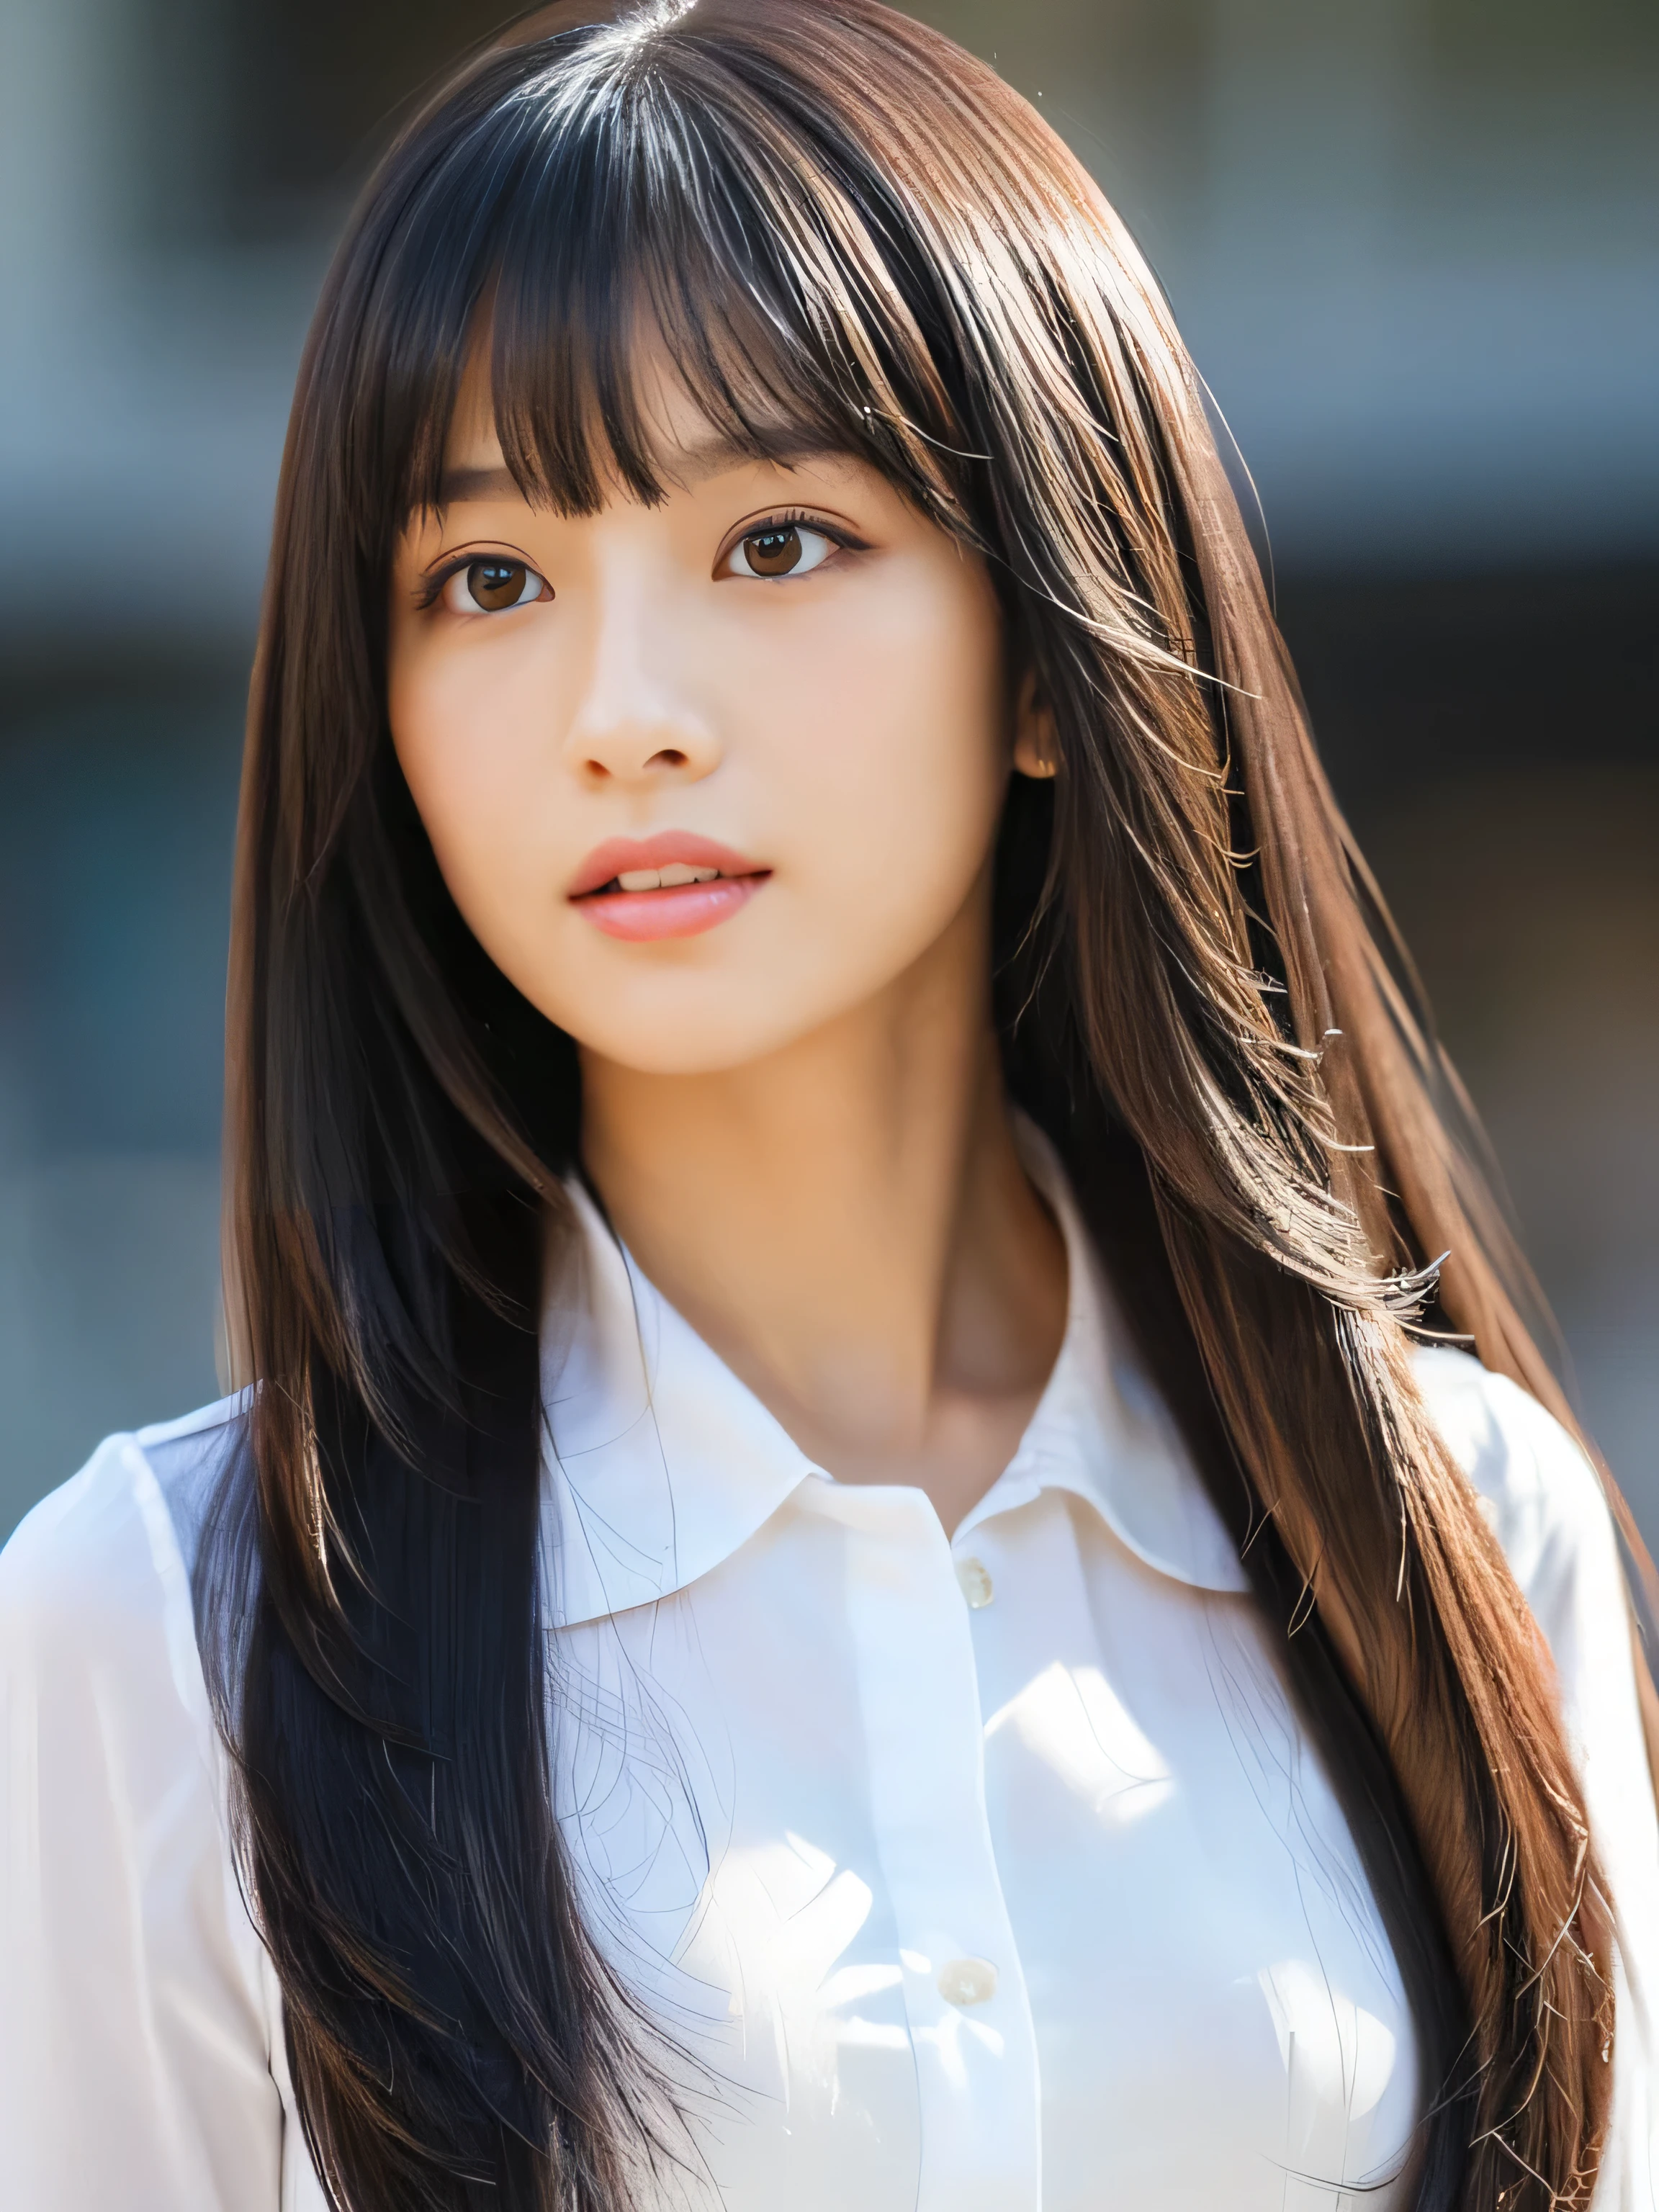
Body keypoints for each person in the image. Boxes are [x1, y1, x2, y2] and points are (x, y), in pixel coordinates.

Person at [2, 2, 1655, 2206]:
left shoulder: (1451, 1526)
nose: (625, 714)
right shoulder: (167, 1624)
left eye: (775, 541)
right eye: (488, 579)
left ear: (1058, 657)